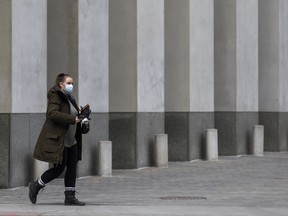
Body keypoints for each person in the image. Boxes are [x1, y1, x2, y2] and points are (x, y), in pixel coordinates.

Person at [28, 73, 87, 206]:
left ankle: (70, 197)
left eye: (72, 83)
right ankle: (36, 185)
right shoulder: (56, 95)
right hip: (59, 139)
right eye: (69, 83)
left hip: (72, 139)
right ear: (61, 84)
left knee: (72, 167)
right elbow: (52, 113)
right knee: (59, 168)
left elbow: (74, 114)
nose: (71, 85)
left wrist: (82, 116)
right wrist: (73, 119)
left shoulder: (70, 98)